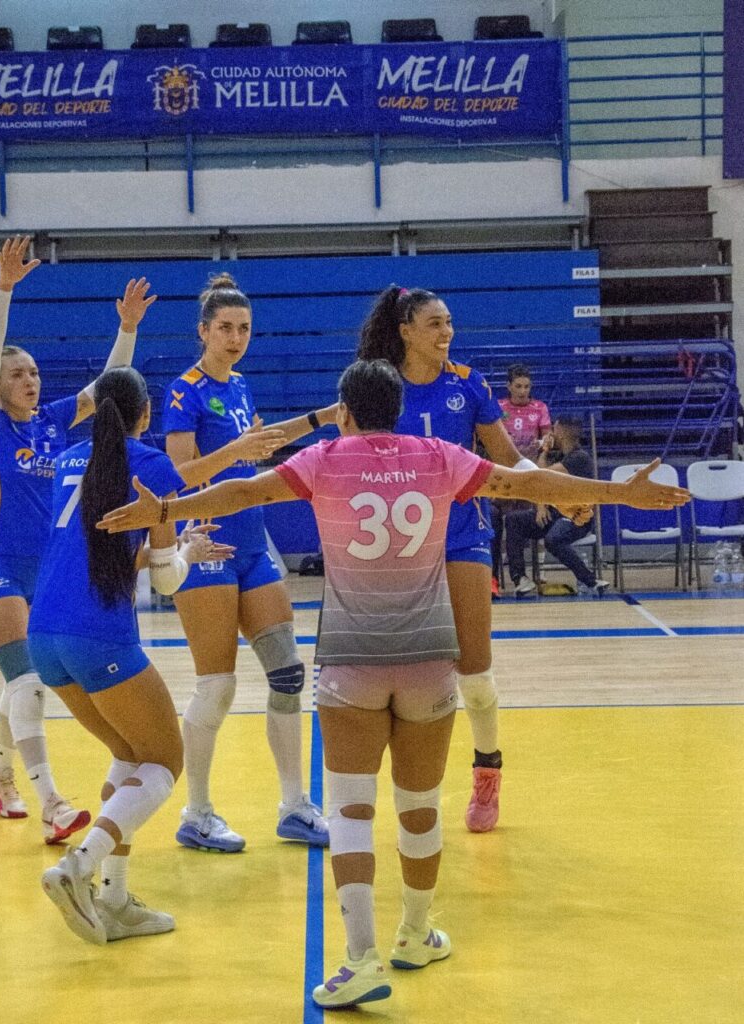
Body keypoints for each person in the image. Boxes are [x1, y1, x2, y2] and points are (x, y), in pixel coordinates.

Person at [97, 359, 689, 1008]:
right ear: (397, 410)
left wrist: (167, 509)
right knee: (420, 807)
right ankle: (413, 932)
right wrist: (617, 493)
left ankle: (359, 959)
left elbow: (243, 494)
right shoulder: (439, 456)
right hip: (428, 657)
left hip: (353, 658)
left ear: (346, 413)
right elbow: (525, 482)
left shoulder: (324, 458)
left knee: (351, 811)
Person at [0, 235, 157, 844]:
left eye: (34, 372)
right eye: (16, 373)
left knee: (23, 679)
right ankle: (52, 801)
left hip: (46, 572)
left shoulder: (51, 423)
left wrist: (125, 328)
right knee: (25, 681)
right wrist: (4, 289)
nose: (28, 379)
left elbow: (111, 390)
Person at [32, 367, 233, 944]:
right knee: (165, 761)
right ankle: (79, 868)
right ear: (146, 416)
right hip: (98, 631)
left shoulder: (72, 458)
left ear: (96, 410)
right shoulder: (152, 467)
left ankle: (116, 902)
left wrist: (174, 545)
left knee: (127, 755)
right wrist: (186, 552)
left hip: (43, 631)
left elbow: (102, 550)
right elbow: (170, 584)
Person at [162, 272, 338, 852]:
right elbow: (179, 477)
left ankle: (294, 806)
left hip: (253, 544)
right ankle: (197, 813)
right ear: (203, 331)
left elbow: (258, 448)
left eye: (244, 329)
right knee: (216, 686)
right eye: (226, 329)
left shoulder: (239, 387)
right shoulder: (182, 391)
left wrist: (324, 417)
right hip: (206, 542)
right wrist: (236, 452)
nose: (236, 338)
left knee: (288, 673)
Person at [357, 286, 541, 832]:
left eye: (449, 323)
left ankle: (487, 772)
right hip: (401, 548)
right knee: (407, 680)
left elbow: (508, 462)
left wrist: (563, 493)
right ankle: (404, 787)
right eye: (434, 324)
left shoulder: (469, 384)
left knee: (476, 675)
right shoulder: (380, 388)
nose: (446, 333)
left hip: (463, 538)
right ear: (406, 331)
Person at [505, 415, 610, 597]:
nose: (551, 433)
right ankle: (520, 579)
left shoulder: (579, 458)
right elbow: (541, 486)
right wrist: (541, 506)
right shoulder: (561, 455)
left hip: (576, 519)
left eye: (553, 429)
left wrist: (544, 451)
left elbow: (540, 475)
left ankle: (591, 581)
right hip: (555, 513)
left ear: (560, 432)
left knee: (553, 540)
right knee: (514, 520)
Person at [492, 364, 553, 592]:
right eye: (518, 386)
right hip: (506, 472)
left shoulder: (540, 408)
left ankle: (542, 570)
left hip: (530, 472)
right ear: (509, 386)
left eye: (526, 386)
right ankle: (507, 571)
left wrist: (547, 441)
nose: (522, 391)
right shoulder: (498, 407)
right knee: (505, 520)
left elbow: (548, 435)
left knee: (535, 517)